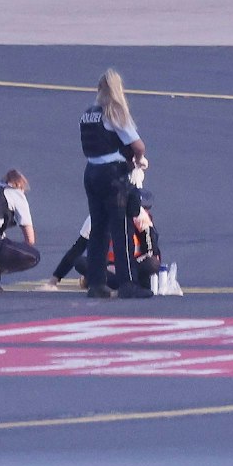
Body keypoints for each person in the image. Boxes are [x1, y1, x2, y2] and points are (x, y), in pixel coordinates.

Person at [79, 68, 153, 300]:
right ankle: (127, 283)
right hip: (113, 176)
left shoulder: (88, 113)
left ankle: (96, 283)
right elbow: (138, 145)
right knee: (121, 230)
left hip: (91, 172)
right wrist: (138, 161)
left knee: (98, 230)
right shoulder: (115, 112)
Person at [51, 190, 162, 293]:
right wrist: (55, 279)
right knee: (80, 262)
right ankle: (119, 284)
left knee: (152, 263)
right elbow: (78, 249)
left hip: (133, 266)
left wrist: (130, 267)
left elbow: (152, 251)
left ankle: (111, 282)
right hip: (107, 267)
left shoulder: (141, 217)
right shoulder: (97, 216)